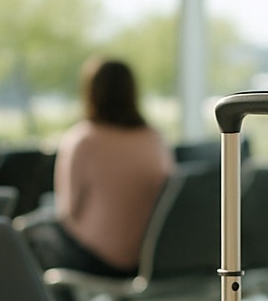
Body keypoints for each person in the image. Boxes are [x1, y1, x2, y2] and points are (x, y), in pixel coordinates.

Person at [26, 57, 173, 282]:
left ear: (90, 92)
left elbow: (66, 212)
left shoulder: (82, 139)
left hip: (98, 259)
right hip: (150, 258)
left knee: (27, 234)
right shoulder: (154, 138)